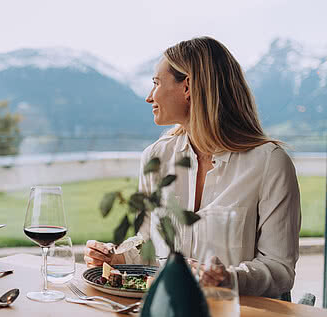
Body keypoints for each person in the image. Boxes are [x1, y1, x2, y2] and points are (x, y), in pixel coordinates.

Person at [85, 36, 301, 298]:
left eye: (156, 83)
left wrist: (227, 278)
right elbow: (148, 242)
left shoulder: (270, 163)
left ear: (187, 86)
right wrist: (117, 257)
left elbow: (280, 269)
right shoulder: (156, 157)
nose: (149, 97)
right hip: (169, 311)